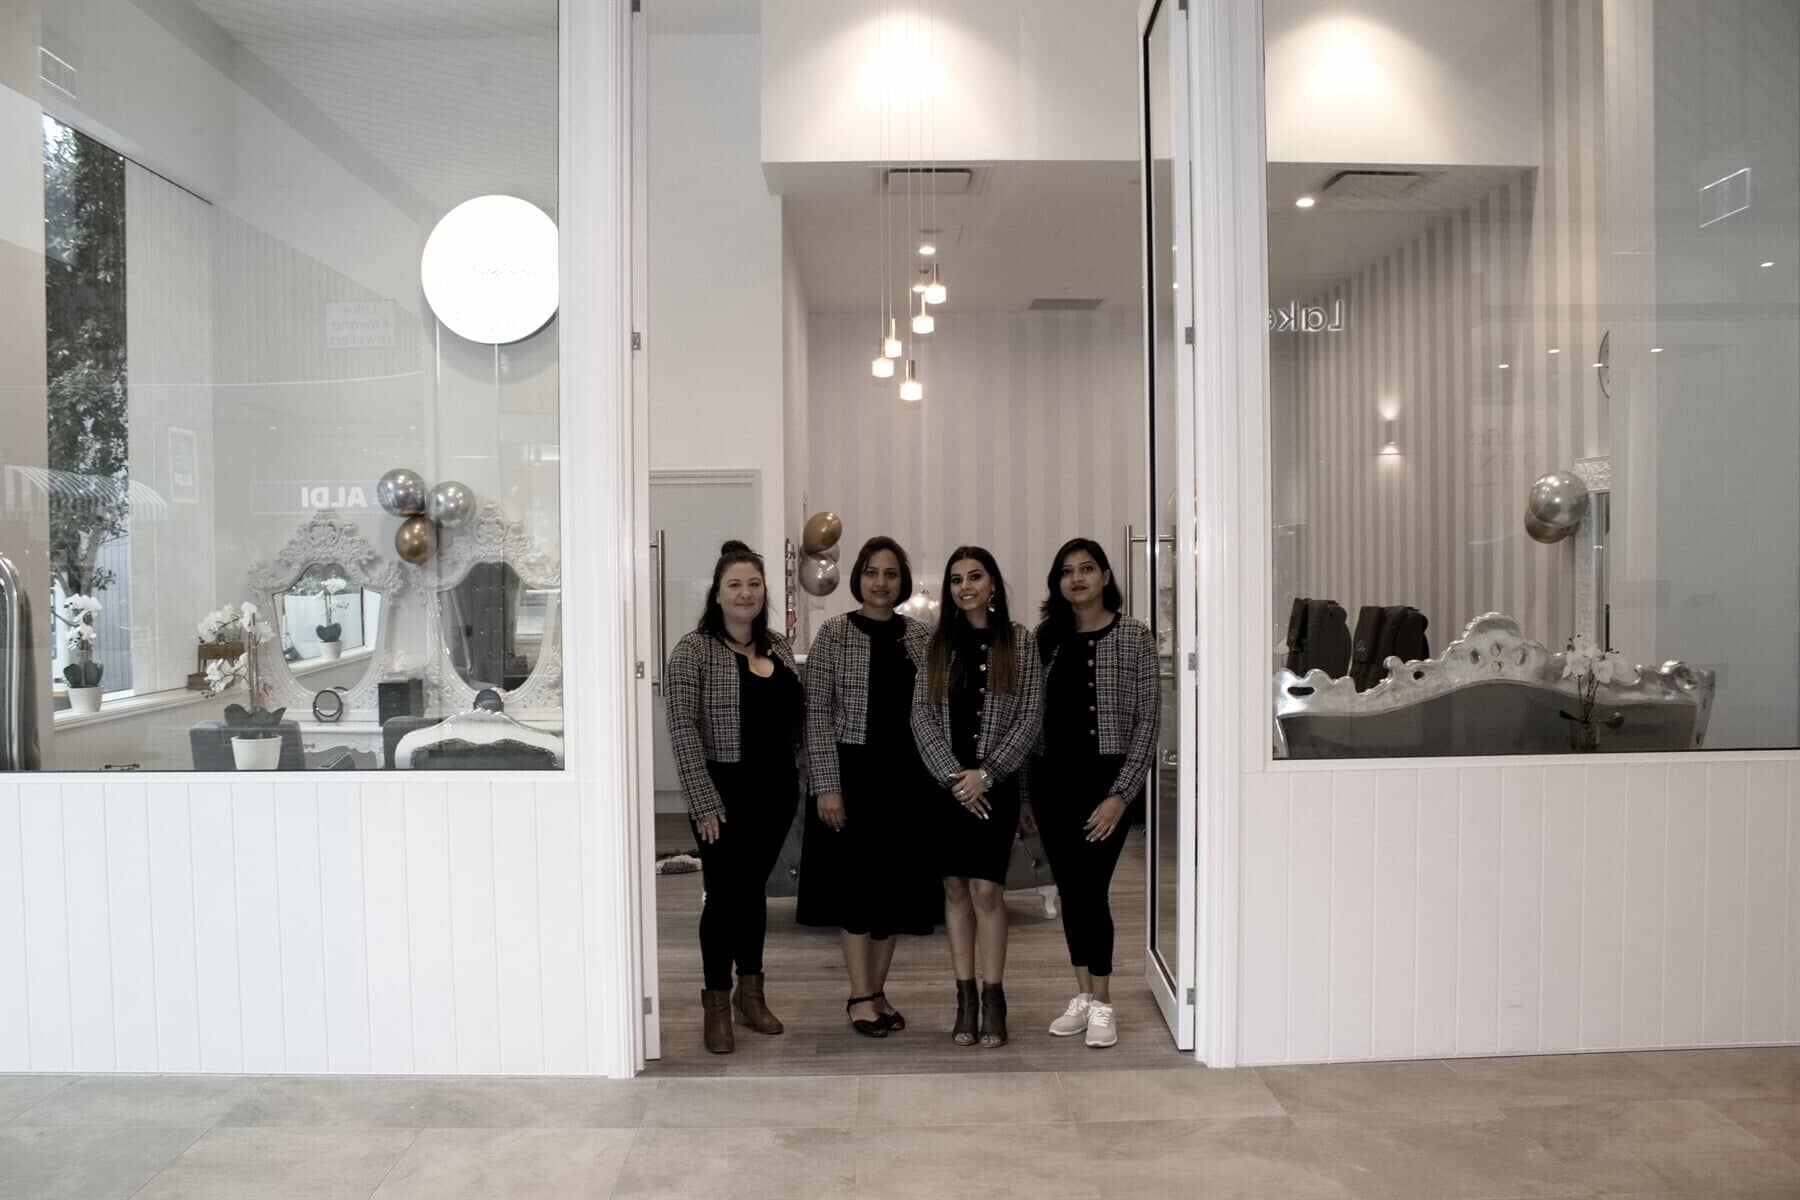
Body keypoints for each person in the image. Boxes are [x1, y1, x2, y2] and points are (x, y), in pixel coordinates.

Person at [663, 541, 804, 1055]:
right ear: (717, 594)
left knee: (751, 892)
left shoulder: (779, 647)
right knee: (724, 896)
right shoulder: (693, 650)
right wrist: (702, 800)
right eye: (735, 585)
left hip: (777, 792)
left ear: (764, 592)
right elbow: (682, 728)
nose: (746, 593)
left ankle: (752, 992)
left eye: (754, 584)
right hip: (722, 793)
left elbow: (799, 720)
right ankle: (717, 1003)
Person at [798, 536, 941, 1038]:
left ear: (903, 582)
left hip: (908, 778)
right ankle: (859, 995)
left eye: (891, 574)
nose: (881, 582)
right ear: (858, 577)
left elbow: (936, 710)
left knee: (893, 894)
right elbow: (816, 714)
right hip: (851, 774)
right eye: (872, 572)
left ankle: (878, 992)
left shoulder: (922, 637)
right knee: (855, 891)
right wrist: (826, 786)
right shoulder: (835, 633)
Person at [1028, 537, 1159, 1048]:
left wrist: (1121, 794)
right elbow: (1028, 720)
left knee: (1091, 889)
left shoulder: (1134, 636)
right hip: (1052, 782)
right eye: (1067, 571)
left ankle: (1103, 1002)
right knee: (1070, 890)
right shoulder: (1045, 640)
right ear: (1057, 583)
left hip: (1107, 783)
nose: (1077, 578)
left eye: (1086, 568)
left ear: (1105, 576)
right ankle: (1082, 996)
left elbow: (1148, 721)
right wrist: (1025, 796)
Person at [912, 546, 1042, 1048]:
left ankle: (994, 997)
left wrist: (985, 775)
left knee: (987, 891)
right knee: (953, 889)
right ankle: (964, 997)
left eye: (975, 577)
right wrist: (954, 777)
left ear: (992, 584)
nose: (965, 587)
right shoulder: (937, 644)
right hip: (946, 788)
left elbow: (1030, 718)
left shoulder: (1019, 641)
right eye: (956, 579)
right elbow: (921, 716)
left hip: (995, 787)